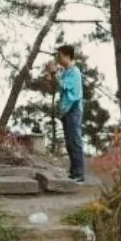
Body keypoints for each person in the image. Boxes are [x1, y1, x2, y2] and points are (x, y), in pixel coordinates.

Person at [46, 45, 85, 183]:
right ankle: (74, 172)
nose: (58, 58)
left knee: (75, 141)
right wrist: (52, 74)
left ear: (68, 56)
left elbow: (63, 86)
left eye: (60, 55)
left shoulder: (75, 72)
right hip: (66, 110)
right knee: (69, 142)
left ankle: (80, 173)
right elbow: (57, 87)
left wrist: (55, 73)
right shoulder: (65, 72)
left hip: (73, 109)